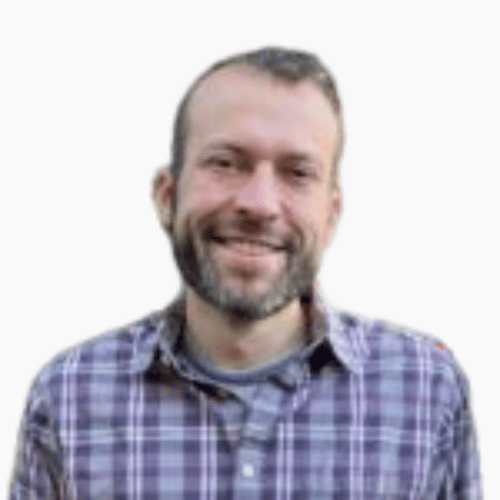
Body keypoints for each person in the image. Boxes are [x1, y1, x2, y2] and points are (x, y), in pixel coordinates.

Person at [9, 47, 482, 499]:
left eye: (297, 172)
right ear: (166, 196)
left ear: (331, 214)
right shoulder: (68, 396)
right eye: (225, 163)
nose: (259, 204)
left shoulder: (427, 390)